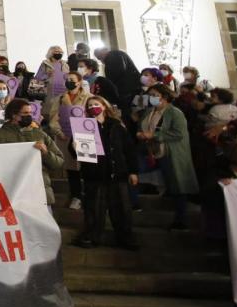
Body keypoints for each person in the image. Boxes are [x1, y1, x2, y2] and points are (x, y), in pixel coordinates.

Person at [73, 95, 138, 250]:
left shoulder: (116, 125)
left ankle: (125, 238)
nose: (92, 107)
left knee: (122, 210)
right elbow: (76, 150)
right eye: (89, 105)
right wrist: (74, 147)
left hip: (117, 173)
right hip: (94, 175)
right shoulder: (84, 126)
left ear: (104, 106)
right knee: (93, 209)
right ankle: (92, 236)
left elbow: (129, 150)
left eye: (96, 104)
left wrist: (133, 171)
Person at [136, 83, 198, 231]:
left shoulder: (175, 112)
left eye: (154, 95)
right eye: (150, 95)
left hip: (172, 153)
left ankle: (181, 220)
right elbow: (142, 126)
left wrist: (155, 135)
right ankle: (133, 204)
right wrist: (141, 134)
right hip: (153, 152)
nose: (151, 98)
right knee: (135, 171)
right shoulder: (149, 112)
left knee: (178, 186)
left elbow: (179, 133)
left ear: (164, 97)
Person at [0, 98, 64, 206]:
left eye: (30, 113)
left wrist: (46, 153)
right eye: (25, 113)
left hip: (40, 192)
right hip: (11, 194)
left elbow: (59, 162)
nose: (29, 116)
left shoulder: (40, 134)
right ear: (14, 115)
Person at [48, 71, 91, 210]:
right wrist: (59, 132)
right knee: (72, 169)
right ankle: (76, 195)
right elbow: (53, 118)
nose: (69, 81)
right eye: (67, 79)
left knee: (87, 167)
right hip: (65, 137)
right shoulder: (59, 98)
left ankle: (90, 195)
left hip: (84, 137)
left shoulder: (89, 97)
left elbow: (91, 117)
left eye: (72, 79)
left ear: (79, 81)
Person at [95, 47, 142, 114]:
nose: (101, 61)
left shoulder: (113, 55)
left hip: (126, 91)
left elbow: (116, 74)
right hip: (131, 89)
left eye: (99, 57)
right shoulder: (117, 55)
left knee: (130, 113)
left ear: (102, 53)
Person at [33, 46, 70, 119]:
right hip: (49, 91)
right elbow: (37, 78)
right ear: (51, 52)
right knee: (49, 111)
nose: (59, 53)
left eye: (61, 52)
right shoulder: (45, 63)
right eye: (57, 52)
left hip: (62, 90)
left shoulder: (65, 64)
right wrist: (46, 75)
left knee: (61, 111)